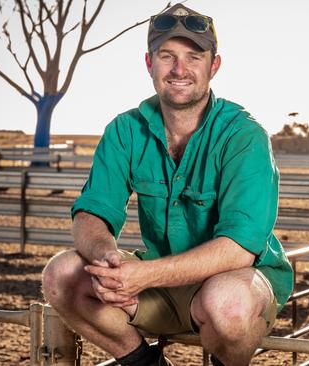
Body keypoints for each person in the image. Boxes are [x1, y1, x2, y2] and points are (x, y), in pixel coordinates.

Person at [41, 4, 293, 366]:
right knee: (62, 274)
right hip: (159, 281)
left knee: (227, 304)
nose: (179, 70)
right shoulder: (125, 130)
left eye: (194, 57)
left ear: (214, 66)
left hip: (235, 279)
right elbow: (92, 213)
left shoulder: (244, 135)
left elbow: (239, 248)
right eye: (167, 56)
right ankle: (145, 363)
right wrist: (107, 259)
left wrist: (142, 275)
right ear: (149, 63)